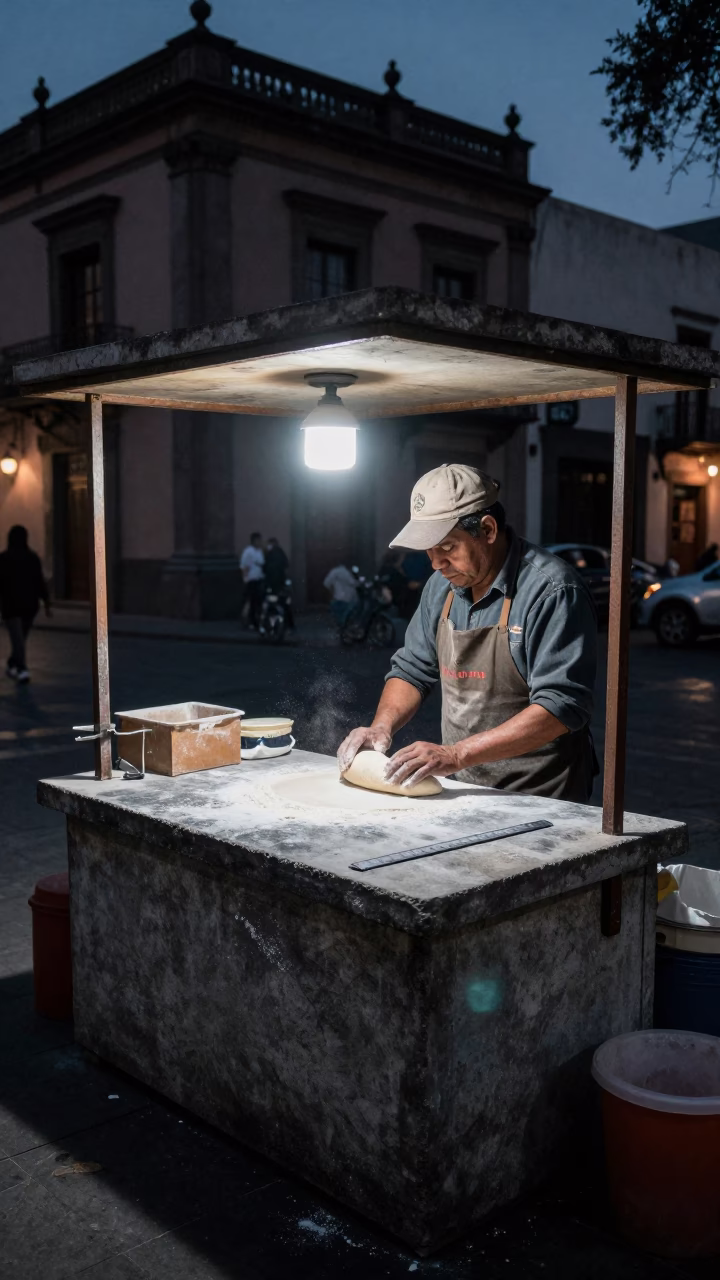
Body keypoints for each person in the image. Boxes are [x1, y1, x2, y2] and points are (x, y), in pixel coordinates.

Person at [338, 464, 598, 801]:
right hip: (466, 786)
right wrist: (380, 727)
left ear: (488, 530)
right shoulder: (440, 587)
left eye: (447, 547)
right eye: (429, 550)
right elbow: (413, 669)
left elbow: (561, 706)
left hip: (541, 793)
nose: (436, 564)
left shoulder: (552, 591)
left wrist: (456, 754)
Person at [0, 525, 51, 683]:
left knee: (19, 639)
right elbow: (40, 582)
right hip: (29, 605)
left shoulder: (4, 558)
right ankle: (21, 667)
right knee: (20, 638)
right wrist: (46, 602)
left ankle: (15, 664)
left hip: (11, 605)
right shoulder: (32, 558)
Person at [264, 536, 294, 631]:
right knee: (285, 605)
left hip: (272, 585)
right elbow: (286, 564)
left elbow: (265, 568)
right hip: (281, 584)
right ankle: (291, 626)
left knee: (268, 604)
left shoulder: (269, 554)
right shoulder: (281, 552)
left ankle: (268, 626)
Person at [240, 532, 265, 629]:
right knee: (251, 602)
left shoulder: (260, 551)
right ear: (254, 541)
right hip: (251, 580)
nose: (260, 542)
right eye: (259, 540)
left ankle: (256, 621)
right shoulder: (248, 552)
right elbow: (244, 566)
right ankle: (249, 622)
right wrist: (246, 579)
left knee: (258, 601)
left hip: (259, 579)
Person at [323, 562, 359, 627]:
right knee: (346, 615)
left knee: (338, 616)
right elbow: (353, 583)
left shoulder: (334, 571)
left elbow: (326, 583)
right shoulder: (347, 573)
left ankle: (340, 627)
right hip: (347, 598)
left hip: (336, 598)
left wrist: (332, 592)